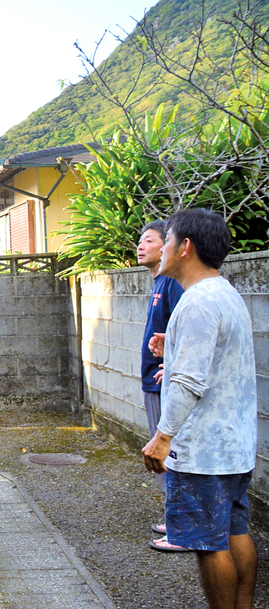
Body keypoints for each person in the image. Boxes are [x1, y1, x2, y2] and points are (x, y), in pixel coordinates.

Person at [142, 209, 257, 609]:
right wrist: (169, 345)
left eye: (167, 240)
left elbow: (189, 383)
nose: (163, 248)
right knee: (235, 532)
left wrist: (163, 437)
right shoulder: (224, 293)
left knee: (209, 545)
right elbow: (215, 360)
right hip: (235, 446)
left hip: (203, 453)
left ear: (185, 247)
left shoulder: (196, 303)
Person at [136, 220, 188, 552]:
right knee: (162, 453)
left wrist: (171, 364)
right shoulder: (158, 283)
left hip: (163, 381)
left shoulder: (171, 284)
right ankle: (175, 517)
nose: (142, 246)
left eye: (151, 240)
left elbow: (184, 332)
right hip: (154, 378)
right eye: (140, 241)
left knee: (168, 452)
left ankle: (181, 526)